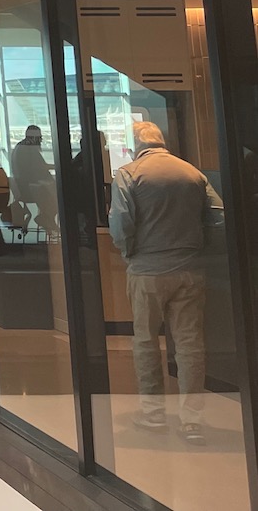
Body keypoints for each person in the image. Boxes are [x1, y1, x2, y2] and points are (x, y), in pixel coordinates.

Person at [110, 121, 224, 445]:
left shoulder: (129, 174)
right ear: (163, 142)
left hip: (146, 270)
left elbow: (120, 223)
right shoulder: (192, 173)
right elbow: (218, 216)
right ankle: (192, 421)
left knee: (146, 341)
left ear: (136, 145)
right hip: (190, 270)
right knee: (190, 344)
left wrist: (129, 251)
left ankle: (153, 414)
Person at [10, 125, 59, 235]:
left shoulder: (19, 147)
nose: (41, 140)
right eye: (40, 137)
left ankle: (47, 219)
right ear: (35, 138)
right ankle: (46, 218)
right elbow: (40, 167)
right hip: (31, 188)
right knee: (59, 195)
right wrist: (58, 166)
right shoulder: (29, 149)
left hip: (23, 187)